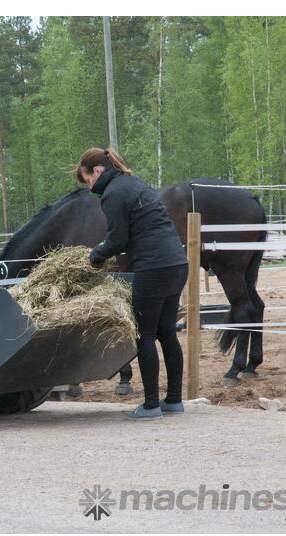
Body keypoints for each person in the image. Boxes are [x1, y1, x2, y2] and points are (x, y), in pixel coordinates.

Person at [76, 147, 189, 420]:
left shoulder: (113, 194)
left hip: (153, 268)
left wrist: (94, 256)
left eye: (87, 179)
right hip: (177, 263)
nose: (89, 185)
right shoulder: (136, 184)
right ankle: (173, 400)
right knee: (167, 333)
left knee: (144, 335)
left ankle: (151, 405)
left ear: (98, 171)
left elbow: (117, 239)